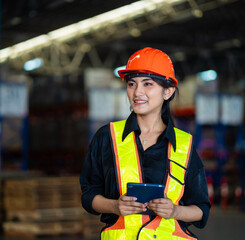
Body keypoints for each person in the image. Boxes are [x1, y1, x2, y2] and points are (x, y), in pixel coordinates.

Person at [80, 47, 210, 239]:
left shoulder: (183, 145)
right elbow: (89, 195)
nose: (137, 92)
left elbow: (201, 208)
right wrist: (115, 206)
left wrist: (175, 211)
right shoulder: (107, 137)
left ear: (168, 92)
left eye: (148, 84)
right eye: (132, 84)